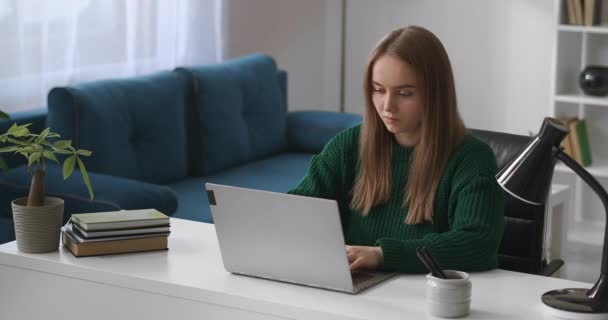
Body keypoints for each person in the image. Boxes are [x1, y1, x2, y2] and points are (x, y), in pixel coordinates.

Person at [288, 26, 505, 273]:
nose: (387, 106)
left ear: (435, 94)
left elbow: (478, 243)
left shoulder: (472, 159)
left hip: (425, 299)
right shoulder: (349, 145)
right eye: (378, 90)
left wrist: (383, 255)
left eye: (404, 93)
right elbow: (298, 209)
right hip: (355, 294)